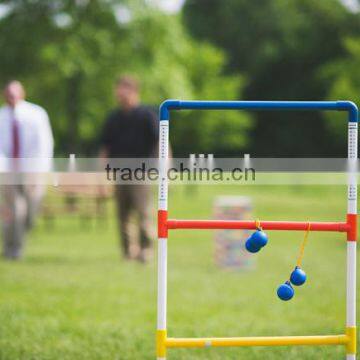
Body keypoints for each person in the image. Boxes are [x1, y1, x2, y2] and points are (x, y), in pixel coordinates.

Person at [100, 76, 158, 262]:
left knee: (143, 213)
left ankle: (146, 250)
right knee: (122, 215)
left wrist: (164, 167)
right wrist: (102, 174)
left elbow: (161, 143)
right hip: (119, 172)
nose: (120, 96)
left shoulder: (147, 115)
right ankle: (128, 253)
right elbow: (105, 148)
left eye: (124, 92)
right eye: (118, 92)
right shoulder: (113, 118)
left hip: (141, 172)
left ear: (134, 92)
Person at [0, 80, 54, 260]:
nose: (11, 98)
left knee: (30, 214)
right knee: (15, 210)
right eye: (8, 94)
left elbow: (44, 143)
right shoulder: (1, 116)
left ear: (22, 94)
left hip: (33, 171)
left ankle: (16, 240)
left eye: (14, 94)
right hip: (9, 172)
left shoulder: (36, 114)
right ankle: (13, 250)